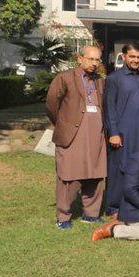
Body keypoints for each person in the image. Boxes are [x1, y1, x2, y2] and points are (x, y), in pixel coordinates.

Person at [46, 44, 108, 228]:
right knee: (69, 176)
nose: (94, 63)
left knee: (95, 176)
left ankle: (91, 214)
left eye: (97, 60)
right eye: (90, 59)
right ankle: (63, 217)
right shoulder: (64, 78)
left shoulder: (100, 81)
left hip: (96, 136)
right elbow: (51, 106)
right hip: (72, 136)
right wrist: (63, 124)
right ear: (79, 58)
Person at [103, 42, 139, 218]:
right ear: (124, 57)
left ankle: (137, 204)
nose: (135, 60)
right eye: (132, 56)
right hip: (122, 133)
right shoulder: (114, 78)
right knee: (119, 169)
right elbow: (109, 107)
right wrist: (113, 132)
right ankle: (114, 207)